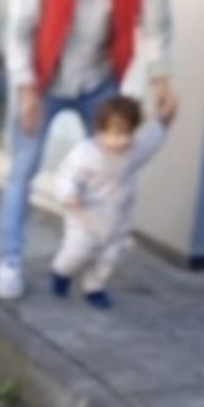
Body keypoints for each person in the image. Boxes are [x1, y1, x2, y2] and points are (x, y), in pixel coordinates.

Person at [0, 0, 176, 301]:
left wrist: (160, 78)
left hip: (100, 78)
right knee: (23, 171)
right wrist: (27, 87)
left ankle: (88, 258)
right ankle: (9, 262)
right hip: (45, 78)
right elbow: (21, 22)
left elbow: (156, 15)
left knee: (114, 168)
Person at [51, 95, 172, 308]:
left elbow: (153, 139)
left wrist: (163, 121)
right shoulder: (86, 152)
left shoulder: (135, 151)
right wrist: (68, 193)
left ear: (134, 132)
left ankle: (94, 288)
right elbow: (66, 175)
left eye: (125, 134)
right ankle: (61, 271)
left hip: (118, 219)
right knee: (76, 252)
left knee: (109, 259)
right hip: (85, 217)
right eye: (112, 133)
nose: (118, 140)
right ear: (100, 129)